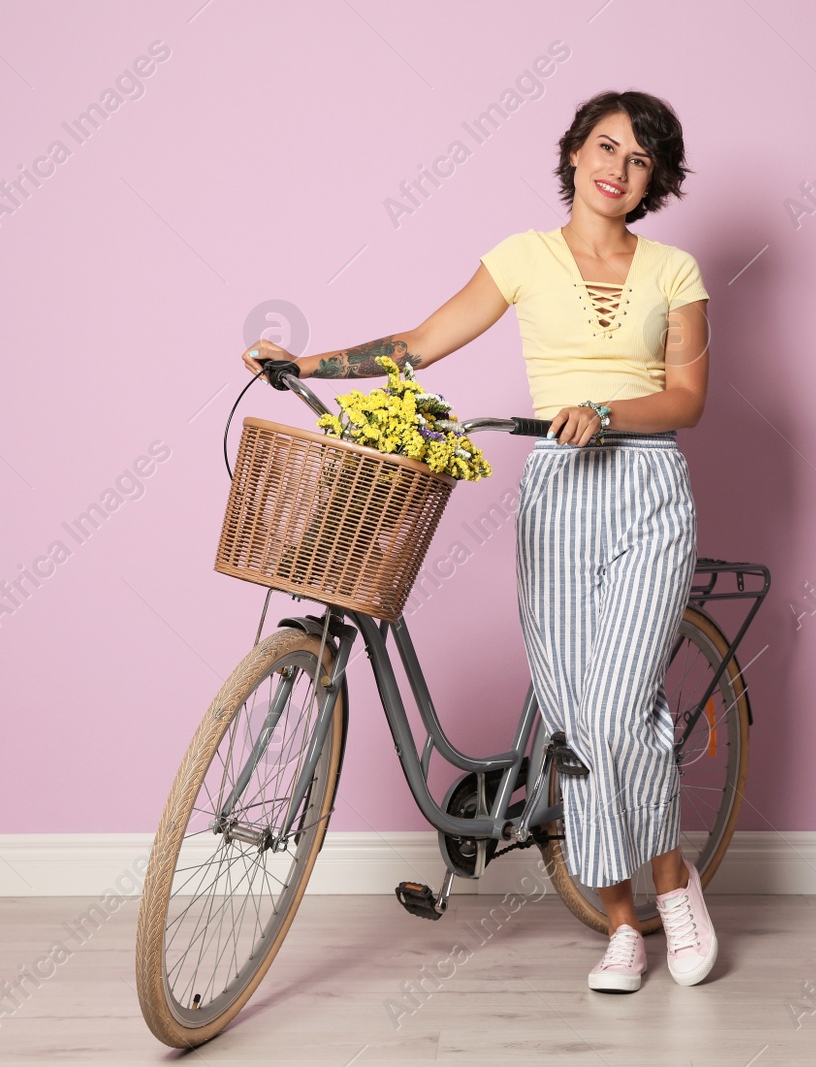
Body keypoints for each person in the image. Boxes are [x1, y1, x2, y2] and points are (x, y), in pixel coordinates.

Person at [240, 89, 716, 993]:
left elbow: (689, 398)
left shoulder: (675, 271)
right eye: (605, 146)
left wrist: (606, 410)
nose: (617, 168)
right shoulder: (522, 258)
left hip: (649, 484)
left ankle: (672, 880)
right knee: (578, 718)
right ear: (574, 152)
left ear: (655, 180)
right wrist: (310, 364)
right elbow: (419, 341)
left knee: (620, 706)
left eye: (639, 158)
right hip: (557, 492)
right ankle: (621, 924)